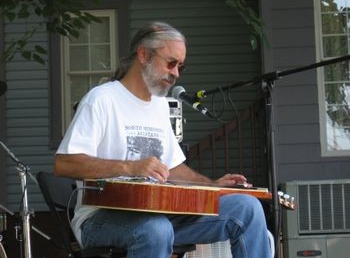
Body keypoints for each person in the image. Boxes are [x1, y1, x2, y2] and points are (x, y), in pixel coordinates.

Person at [54, 21, 272, 258]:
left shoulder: (159, 105)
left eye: (180, 67)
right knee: (155, 229)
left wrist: (211, 186)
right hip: (100, 219)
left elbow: (172, 167)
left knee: (247, 209)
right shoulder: (101, 99)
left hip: (159, 213)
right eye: (171, 63)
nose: (176, 73)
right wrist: (130, 167)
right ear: (144, 55)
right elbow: (65, 164)